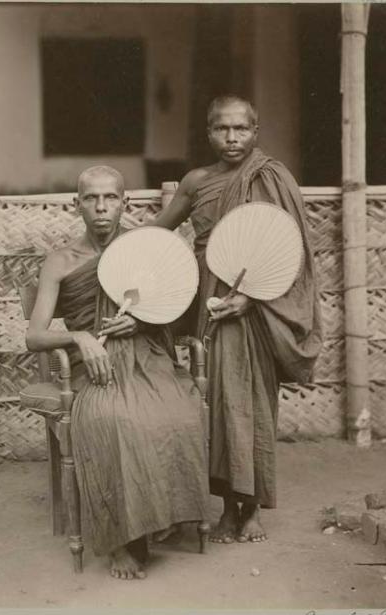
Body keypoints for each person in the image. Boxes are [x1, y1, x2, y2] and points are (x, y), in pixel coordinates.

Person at [152, 96, 322, 544]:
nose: (232, 138)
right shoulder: (196, 181)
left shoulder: (273, 178)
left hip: (260, 307)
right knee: (223, 404)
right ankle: (228, 508)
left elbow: (292, 251)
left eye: (241, 129)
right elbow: (157, 233)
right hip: (212, 302)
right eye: (222, 129)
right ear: (208, 133)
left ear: (255, 131)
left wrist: (250, 297)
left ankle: (252, 511)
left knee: (255, 404)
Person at [26, 165, 209, 579]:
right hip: (95, 364)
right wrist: (79, 338)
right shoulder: (61, 261)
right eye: (91, 198)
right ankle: (121, 542)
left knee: (179, 411)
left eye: (110, 198)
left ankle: (158, 516)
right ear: (77, 205)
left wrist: (141, 323)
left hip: (145, 354)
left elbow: (177, 315)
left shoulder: (142, 252)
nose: (101, 207)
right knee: (111, 419)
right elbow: (34, 337)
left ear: (124, 203)